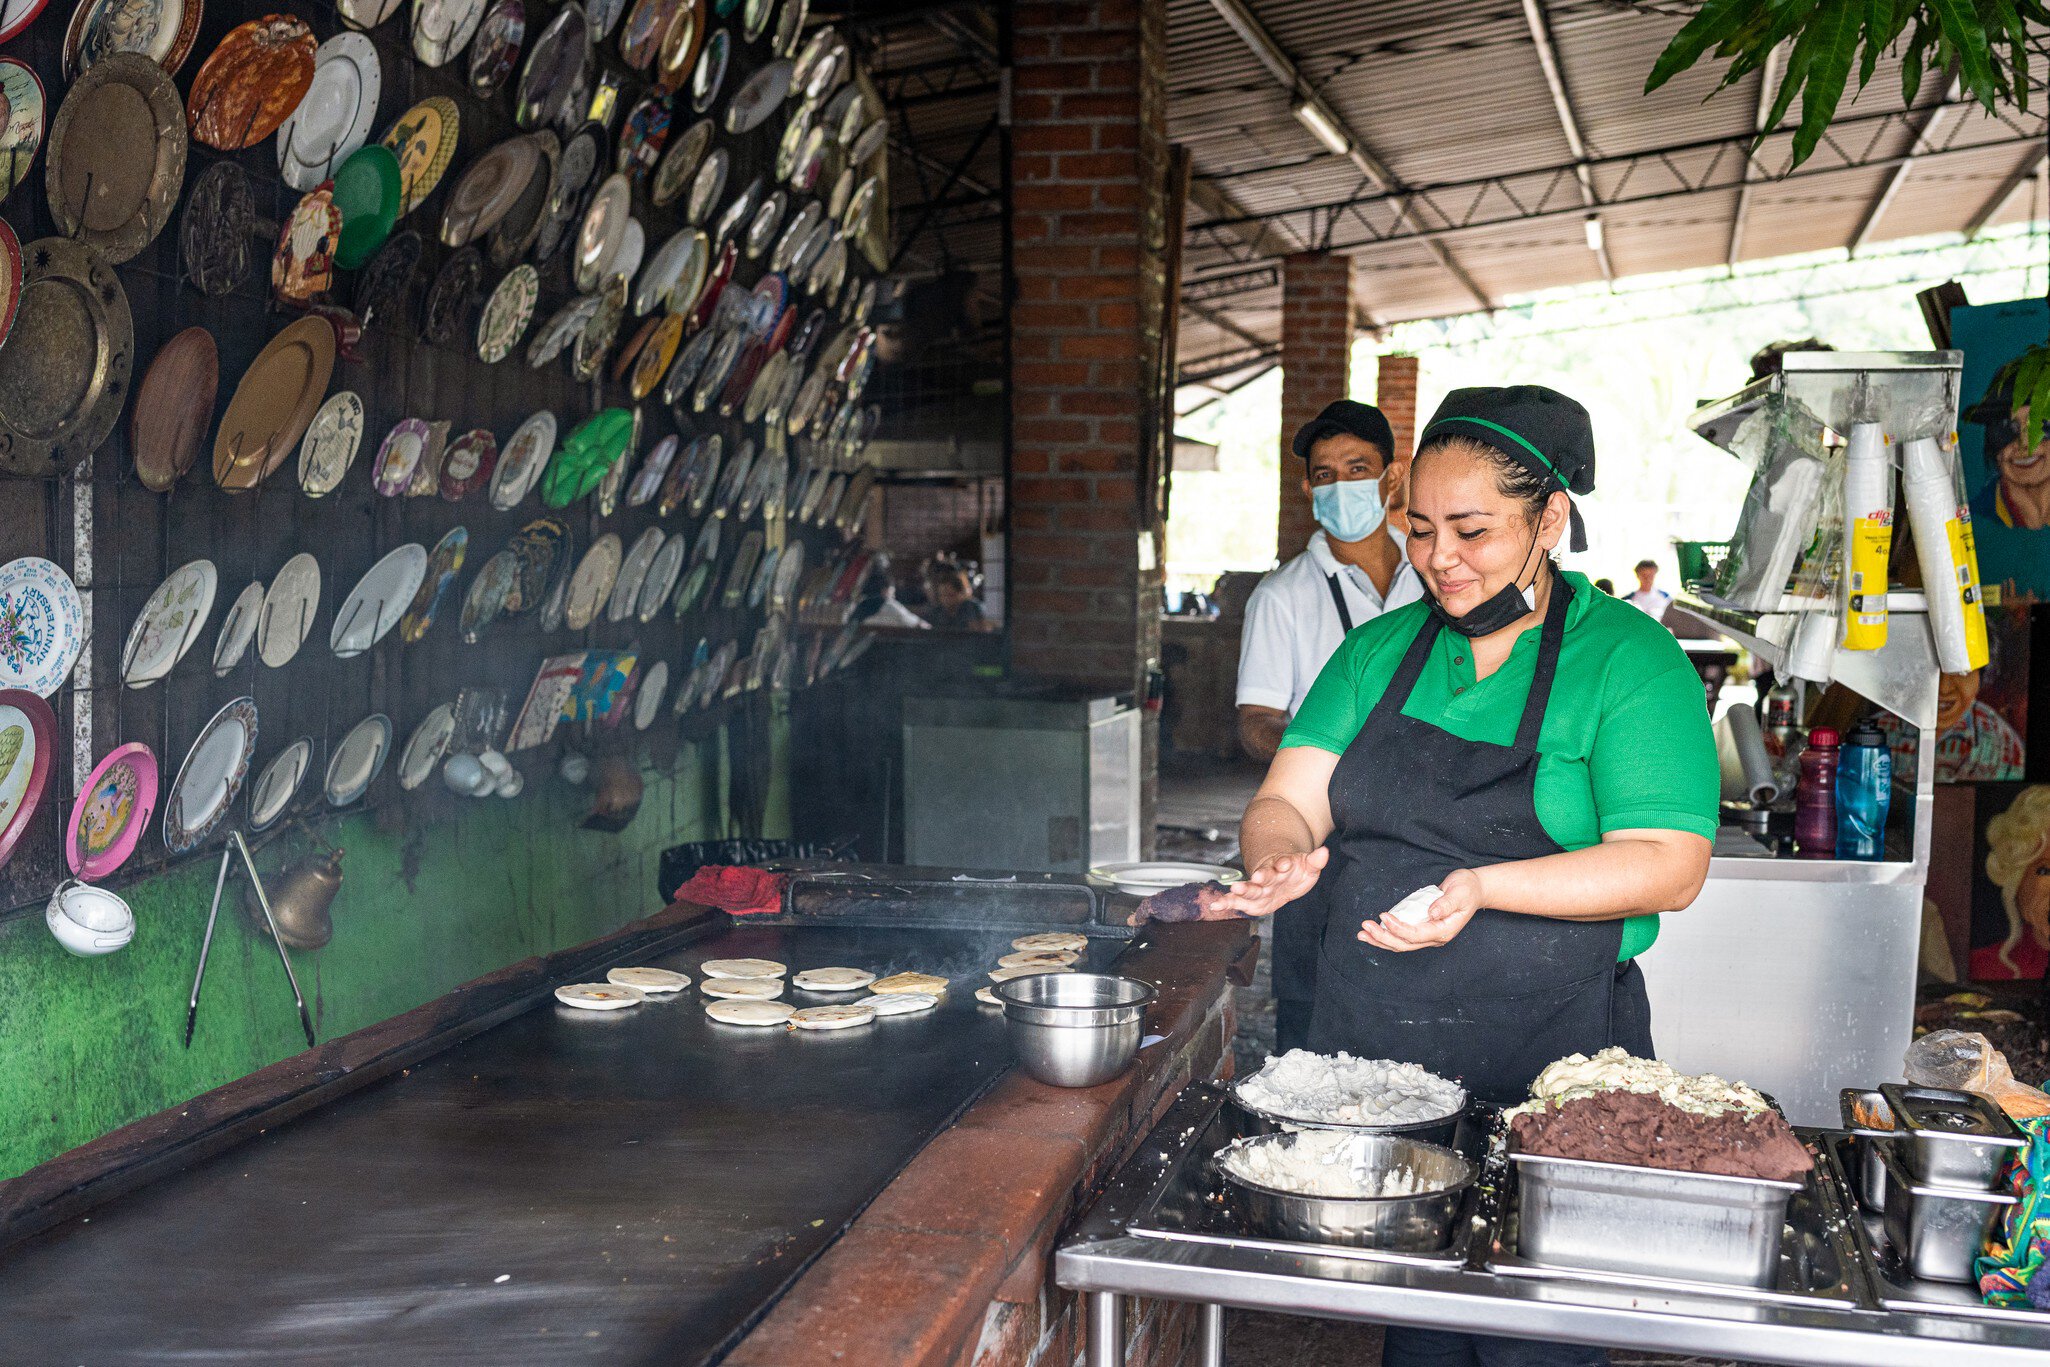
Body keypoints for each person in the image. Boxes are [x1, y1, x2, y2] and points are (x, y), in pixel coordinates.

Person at [1214, 385, 1717, 1367]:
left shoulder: (1628, 660)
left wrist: (1483, 887)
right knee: (1421, 1332)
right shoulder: (1378, 651)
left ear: (1550, 518)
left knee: (1539, 1337)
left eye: (1472, 530)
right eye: (1421, 528)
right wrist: (1277, 856)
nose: (1439, 557)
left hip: (1554, 1063)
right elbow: (1286, 799)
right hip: (1388, 1079)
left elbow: (1669, 863)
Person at [1235, 398, 1422, 1052]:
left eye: (1357, 468)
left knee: (1413, 989)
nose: (1340, 485)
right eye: (1324, 474)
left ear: (1392, 478)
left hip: (1422, 822)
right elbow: (1256, 720)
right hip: (1326, 829)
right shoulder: (1282, 595)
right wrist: (1320, 760)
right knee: (1312, 1005)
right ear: (1308, 489)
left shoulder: (1436, 578)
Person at [919, 558, 994, 632]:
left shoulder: (973, 608)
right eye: (942, 595)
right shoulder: (937, 611)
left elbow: (984, 631)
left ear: (960, 593)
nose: (945, 599)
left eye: (950, 595)